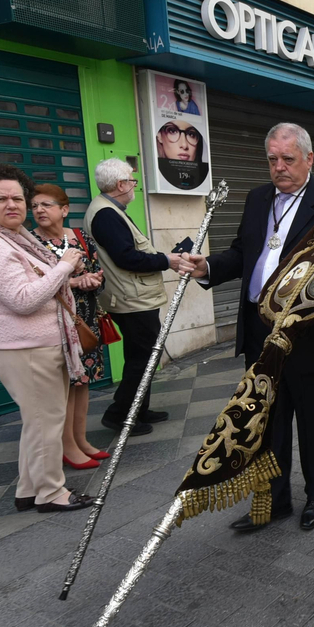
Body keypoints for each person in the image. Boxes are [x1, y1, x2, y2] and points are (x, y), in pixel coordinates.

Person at [193, 124, 314, 533]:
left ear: (309, 159)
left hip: (307, 333)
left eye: (288, 159)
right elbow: (245, 253)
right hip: (261, 330)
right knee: (266, 422)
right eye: (272, 159)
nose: (279, 167)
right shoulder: (258, 198)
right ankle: (273, 500)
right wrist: (207, 267)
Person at [0, 164, 92, 513]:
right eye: (0, 198)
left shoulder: (10, 236)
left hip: (38, 345)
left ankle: (28, 490)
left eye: (18, 198)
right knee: (46, 424)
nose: (12, 204)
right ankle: (52, 493)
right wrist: (64, 266)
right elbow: (23, 299)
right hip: (26, 348)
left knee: (39, 422)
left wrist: (62, 269)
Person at [85, 158, 200, 436]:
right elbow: (127, 258)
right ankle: (120, 414)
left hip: (134, 296)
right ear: (121, 184)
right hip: (130, 299)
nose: (134, 187)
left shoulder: (111, 209)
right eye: (132, 181)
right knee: (143, 357)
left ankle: (138, 408)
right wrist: (167, 260)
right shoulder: (106, 214)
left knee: (143, 355)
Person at [29, 183, 110, 469]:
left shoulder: (79, 237)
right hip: (55, 326)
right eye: (35, 205)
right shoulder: (30, 243)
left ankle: (80, 440)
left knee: (83, 382)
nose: (39, 209)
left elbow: (99, 274)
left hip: (85, 322)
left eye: (46, 204)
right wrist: (72, 282)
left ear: (64, 209)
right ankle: (67, 447)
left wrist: (94, 281)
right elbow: (33, 289)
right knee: (64, 386)